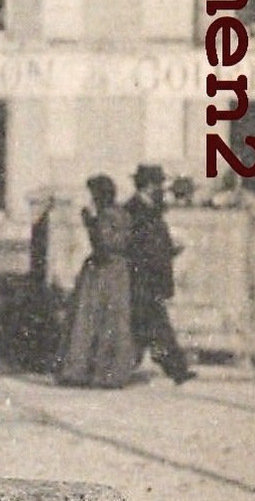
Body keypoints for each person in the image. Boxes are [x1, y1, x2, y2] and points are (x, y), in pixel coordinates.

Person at [54, 175, 137, 389]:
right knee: (113, 320)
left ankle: (87, 371)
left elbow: (103, 245)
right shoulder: (122, 213)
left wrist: (90, 222)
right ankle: (111, 371)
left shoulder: (105, 216)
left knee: (90, 318)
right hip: (119, 272)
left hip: (103, 272)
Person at [124, 164, 195, 385]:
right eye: (158, 184)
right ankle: (177, 369)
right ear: (148, 185)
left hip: (151, 276)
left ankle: (128, 369)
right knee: (154, 324)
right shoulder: (135, 209)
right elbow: (138, 246)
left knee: (145, 326)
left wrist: (170, 249)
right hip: (143, 277)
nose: (162, 189)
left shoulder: (148, 208)